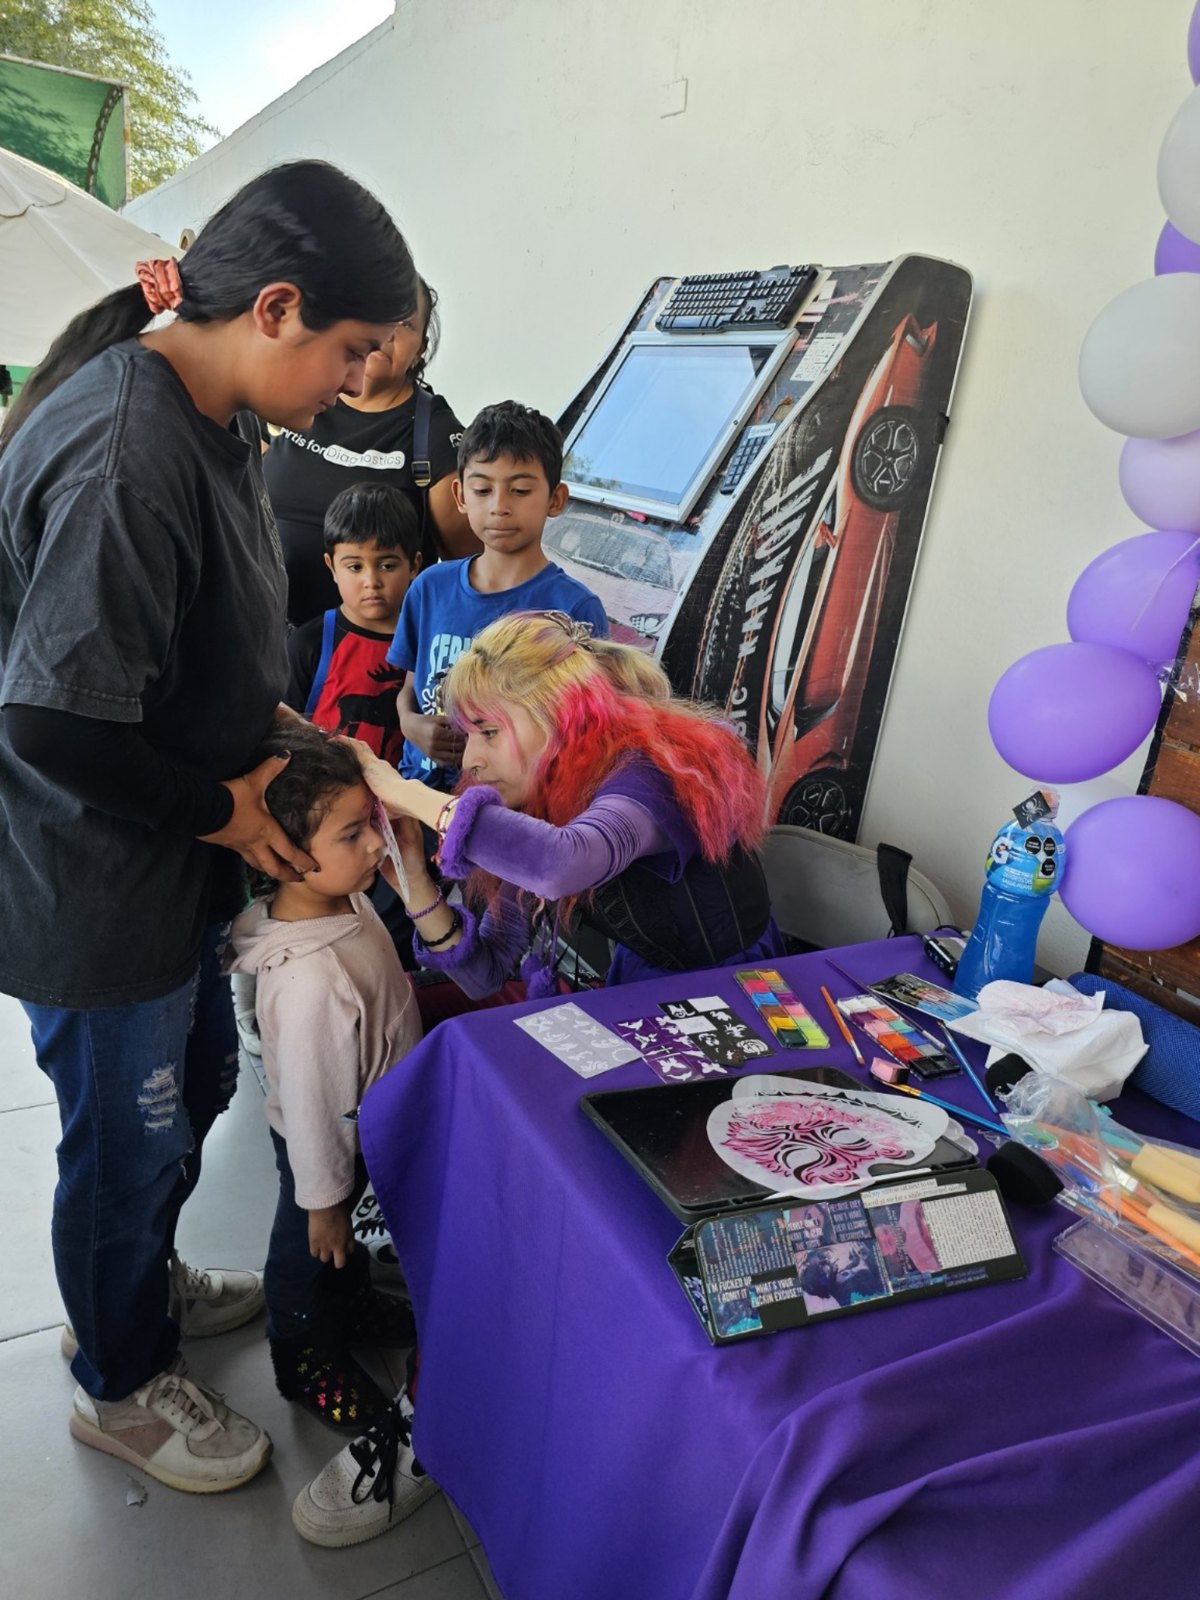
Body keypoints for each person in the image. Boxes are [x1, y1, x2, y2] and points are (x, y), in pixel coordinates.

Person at [0, 159, 417, 1494]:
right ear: (279, 309)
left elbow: (203, 664)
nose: (354, 386)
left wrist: (312, 747)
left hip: (171, 856)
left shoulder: (221, 420)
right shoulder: (128, 449)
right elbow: (54, 727)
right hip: (96, 874)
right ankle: (115, 1382)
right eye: (351, 355)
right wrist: (232, 811)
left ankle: (141, 1281)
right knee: (126, 1134)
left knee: (195, 1093)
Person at [288, 610, 781, 1548]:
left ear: (561, 713)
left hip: (704, 1064)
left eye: (483, 730)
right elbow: (484, 969)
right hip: (602, 1043)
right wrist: (414, 882)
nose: (464, 756)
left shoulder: (645, 780)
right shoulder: (537, 805)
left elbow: (565, 865)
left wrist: (409, 790)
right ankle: (447, 1407)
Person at [226, 725, 421, 1430]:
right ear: (284, 854)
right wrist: (324, 1200)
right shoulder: (309, 982)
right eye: (351, 835)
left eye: (368, 823)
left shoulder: (338, 897)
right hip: (326, 1143)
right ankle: (303, 1352)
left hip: (360, 1125)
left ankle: (348, 1300)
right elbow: (314, 1107)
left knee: (337, 1254)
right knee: (308, 1249)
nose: (374, 843)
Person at [388, 400, 609, 791]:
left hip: (508, 815)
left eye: (520, 490)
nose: (499, 507)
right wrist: (412, 724)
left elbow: (587, 733)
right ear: (460, 495)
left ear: (555, 499)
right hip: (417, 798)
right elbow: (410, 685)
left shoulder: (573, 610)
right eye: (482, 489)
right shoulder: (429, 587)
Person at [264, 276, 476, 624]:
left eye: (405, 323)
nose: (388, 332)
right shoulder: (295, 394)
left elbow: (467, 572)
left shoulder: (434, 436)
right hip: (249, 636)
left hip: (355, 665)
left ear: (421, 348)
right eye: (381, 314)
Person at [286, 481, 424, 763]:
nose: (371, 581)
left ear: (414, 565)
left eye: (387, 565)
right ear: (331, 567)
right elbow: (285, 733)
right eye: (355, 567)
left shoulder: (427, 641)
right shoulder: (309, 643)